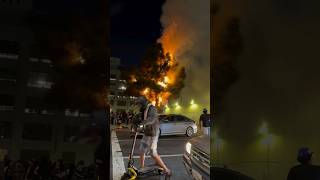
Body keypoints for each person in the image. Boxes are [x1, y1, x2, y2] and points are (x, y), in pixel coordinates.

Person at [136, 96, 172, 177]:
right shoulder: (143, 110)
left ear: (144, 103)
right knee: (142, 149)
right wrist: (135, 123)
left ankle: (167, 170)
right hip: (147, 132)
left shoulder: (152, 108)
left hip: (153, 132)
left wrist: (143, 123)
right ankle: (142, 168)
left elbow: (151, 119)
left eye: (140, 104)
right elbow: (139, 119)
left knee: (152, 152)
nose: (139, 106)